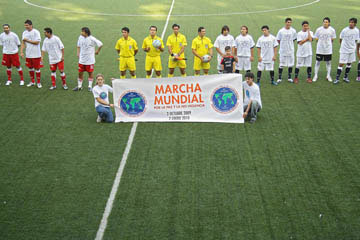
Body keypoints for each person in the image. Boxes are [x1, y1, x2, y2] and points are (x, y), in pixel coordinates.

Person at [73, 27, 103, 91]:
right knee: (80, 73)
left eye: (82, 31)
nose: (81, 33)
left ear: (86, 33)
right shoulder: (80, 37)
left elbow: (100, 44)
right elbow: (78, 46)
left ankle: (90, 86)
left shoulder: (92, 39)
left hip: (90, 60)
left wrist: (97, 51)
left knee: (90, 73)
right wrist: (78, 53)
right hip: (82, 60)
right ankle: (79, 86)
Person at [334, 18, 360, 84]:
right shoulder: (344, 30)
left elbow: (356, 40)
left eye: (352, 22)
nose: (351, 23)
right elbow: (340, 39)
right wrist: (343, 46)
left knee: (349, 63)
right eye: (350, 22)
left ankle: (345, 77)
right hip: (344, 50)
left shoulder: (357, 31)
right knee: (341, 63)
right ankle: (337, 78)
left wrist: (352, 47)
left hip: (351, 50)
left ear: (355, 24)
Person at [20, 19, 43, 88]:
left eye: (27, 25)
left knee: (37, 68)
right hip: (28, 54)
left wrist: (28, 40)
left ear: (31, 25)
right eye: (25, 25)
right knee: (30, 68)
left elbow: (37, 42)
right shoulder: (24, 33)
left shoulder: (36, 32)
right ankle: (32, 81)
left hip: (36, 54)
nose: (26, 26)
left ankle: (38, 83)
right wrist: (21, 51)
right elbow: (23, 43)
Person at [313, 17, 336, 82]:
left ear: (329, 23)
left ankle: (328, 75)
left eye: (326, 22)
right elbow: (316, 39)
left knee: (328, 62)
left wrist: (327, 45)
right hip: (320, 49)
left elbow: (332, 39)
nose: (325, 23)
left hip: (328, 50)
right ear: (323, 22)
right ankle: (315, 75)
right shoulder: (319, 29)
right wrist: (321, 44)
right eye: (324, 22)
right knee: (317, 62)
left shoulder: (332, 30)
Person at [276, 18, 297, 84]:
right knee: (281, 64)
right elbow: (278, 40)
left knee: (290, 64)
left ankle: (289, 77)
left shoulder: (293, 31)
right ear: (285, 23)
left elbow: (294, 39)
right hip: (283, 50)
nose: (289, 23)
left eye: (290, 22)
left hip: (290, 50)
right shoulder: (281, 31)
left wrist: (289, 45)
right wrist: (283, 45)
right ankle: (279, 78)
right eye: (288, 22)